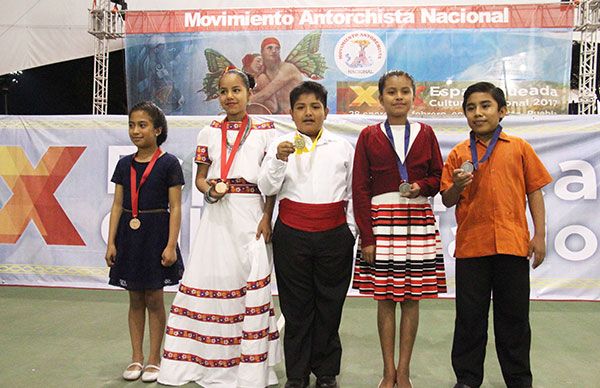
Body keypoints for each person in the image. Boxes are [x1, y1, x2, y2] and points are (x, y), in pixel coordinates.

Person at [158, 68, 281, 387]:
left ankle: (249, 369)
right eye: (224, 91)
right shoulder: (208, 131)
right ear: (218, 95)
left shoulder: (267, 130)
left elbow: (271, 184)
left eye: (237, 90)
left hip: (251, 215)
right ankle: (203, 364)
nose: (230, 96)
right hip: (216, 218)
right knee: (210, 278)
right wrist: (209, 188)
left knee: (247, 283)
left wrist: (267, 216)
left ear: (249, 93)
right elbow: (199, 177)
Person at [440, 82, 552, 388]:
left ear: (502, 111)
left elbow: (535, 192)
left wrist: (539, 236)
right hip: (471, 248)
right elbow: (447, 199)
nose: (478, 113)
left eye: (485, 106)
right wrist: (458, 187)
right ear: (464, 113)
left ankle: (518, 380)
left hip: (512, 245)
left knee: (514, 320)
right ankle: (467, 379)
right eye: (471, 107)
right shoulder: (458, 154)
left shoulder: (519, 148)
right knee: (469, 320)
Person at [352, 70, 447, 388]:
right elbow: (359, 188)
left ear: (414, 96)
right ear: (380, 98)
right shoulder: (369, 135)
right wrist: (367, 236)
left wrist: (421, 186)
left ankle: (404, 370)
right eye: (391, 92)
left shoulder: (426, 132)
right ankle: (387, 371)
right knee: (384, 299)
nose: (398, 97)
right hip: (381, 224)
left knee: (411, 299)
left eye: (404, 91)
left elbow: (439, 177)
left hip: (417, 222)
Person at [258, 81, 356, 388]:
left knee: (330, 306)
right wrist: (278, 159)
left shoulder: (342, 146)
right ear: (291, 113)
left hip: (334, 235)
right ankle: (297, 374)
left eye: (315, 107)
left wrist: (350, 231)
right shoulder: (281, 144)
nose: (308, 113)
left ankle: (326, 373)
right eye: (301, 107)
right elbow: (267, 188)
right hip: (292, 235)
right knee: (296, 308)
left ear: (326, 111)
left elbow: (353, 192)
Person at [105, 101, 185, 383]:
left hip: (156, 235)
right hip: (130, 235)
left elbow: (175, 207)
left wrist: (171, 244)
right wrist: (111, 242)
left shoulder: (169, 163)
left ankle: (154, 358)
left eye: (142, 125)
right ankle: (136, 357)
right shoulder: (123, 164)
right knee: (134, 298)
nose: (135, 131)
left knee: (154, 299)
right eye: (131, 125)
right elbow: (117, 205)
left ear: (158, 129)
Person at [250, 37, 304, 114]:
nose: (274, 51)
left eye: (277, 48)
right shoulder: (263, 73)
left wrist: (242, 103)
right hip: (277, 117)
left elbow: (265, 94)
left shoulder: (288, 68)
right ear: (262, 52)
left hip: (294, 116)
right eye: (269, 48)